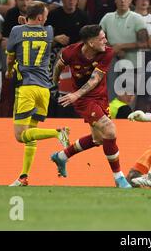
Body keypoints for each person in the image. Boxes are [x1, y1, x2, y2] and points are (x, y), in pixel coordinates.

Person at [50, 25, 132, 188]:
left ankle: (62, 156)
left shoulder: (107, 52)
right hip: (84, 100)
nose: (106, 41)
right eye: (102, 38)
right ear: (90, 42)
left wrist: (74, 94)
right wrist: (55, 80)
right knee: (110, 130)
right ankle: (119, 178)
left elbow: (95, 79)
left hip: (100, 97)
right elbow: (59, 65)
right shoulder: (70, 52)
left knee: (98, 139)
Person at [6, 1, 70, 186]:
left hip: (26, 88)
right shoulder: (49, 31)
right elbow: (33, 28)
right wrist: (24, 22)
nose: (47, 19)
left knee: (20, 136)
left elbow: (10, 56)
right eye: (46, 15)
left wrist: (10, 71)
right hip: (44, 89)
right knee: (31, 135)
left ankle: (58, 133)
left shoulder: (16, 31)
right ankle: (24, 176)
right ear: (41, 18)